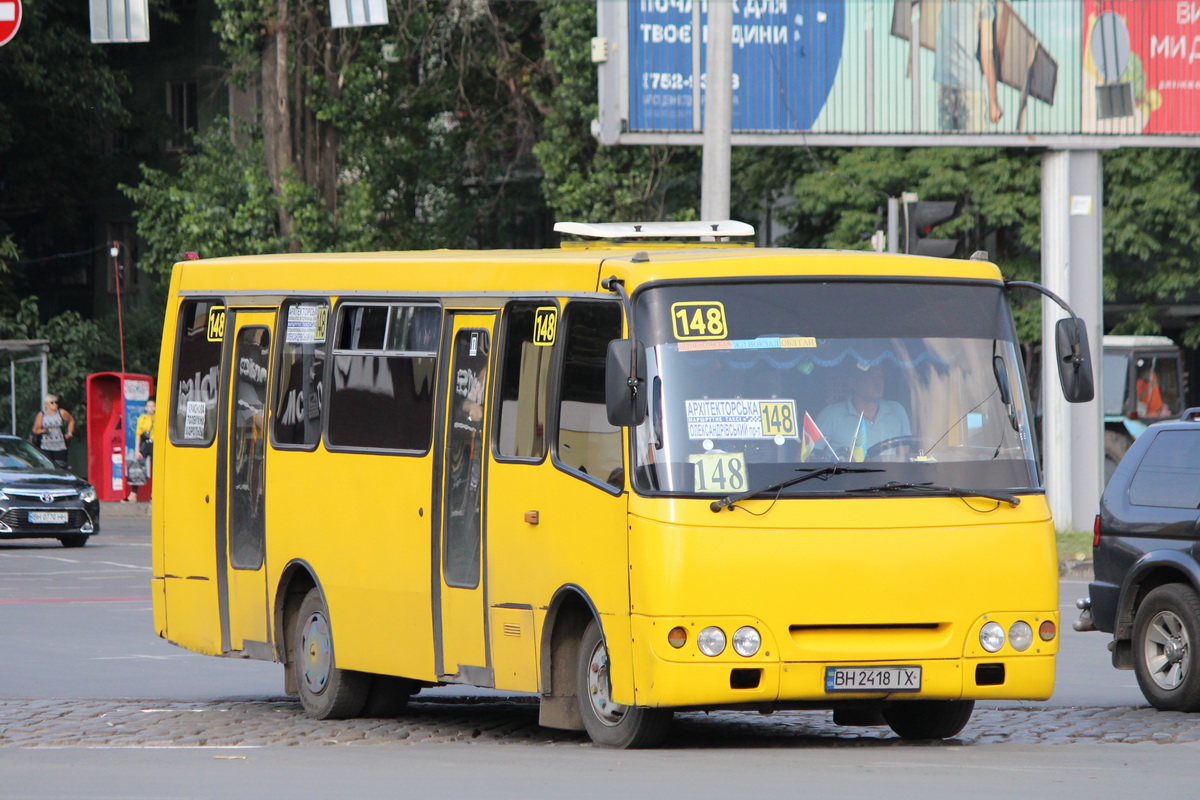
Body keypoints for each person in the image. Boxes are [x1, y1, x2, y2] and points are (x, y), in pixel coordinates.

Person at [933, 0, 1002, 132]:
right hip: (958, 86)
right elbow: (986, 52)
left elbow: (986, 52)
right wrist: (993, 101)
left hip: (955, 85)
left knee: (958, 146)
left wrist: (993, 101)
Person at [815, 363, 911, 459]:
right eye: (870, 377)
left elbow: (905, 454)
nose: (877, 382)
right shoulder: (830, 415)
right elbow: (809, 457)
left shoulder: (897, 411)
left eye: (880, 377)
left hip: (889, 473)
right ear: (853, 383)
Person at [32, 394, 75, 470]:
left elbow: (71, 420)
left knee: (61, 467)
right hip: (46, 445)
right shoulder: (42, 414)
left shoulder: (61, 412)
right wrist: (43, 431)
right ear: (46, 405)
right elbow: (35, 430)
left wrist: (69, 433)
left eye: (56, 402)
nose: (55, 404)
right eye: (52, 402)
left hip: (60, 444)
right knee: (47, 467)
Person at [125, 399, 156, 502]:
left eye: (153, 406)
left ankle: (154, 494)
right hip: (145, 444)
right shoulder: (142, 418)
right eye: (149, 406)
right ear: (146, 407)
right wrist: (137, 450)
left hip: (155, 444)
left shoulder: (158, 418)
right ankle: (133, 494)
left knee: (156, 470)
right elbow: (138, 435)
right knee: (137, 467)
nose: (151, 408)